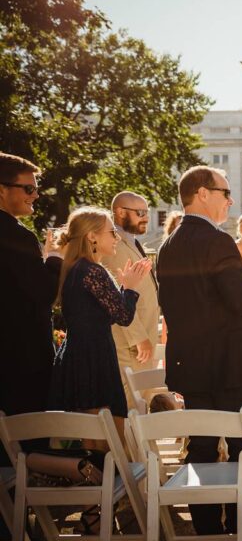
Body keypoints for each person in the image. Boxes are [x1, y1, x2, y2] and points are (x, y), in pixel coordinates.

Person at [156, 165, 242, 541]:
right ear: (202, 193)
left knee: (201, 448)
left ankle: (208, 535)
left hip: (193, 366)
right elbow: (239, 300)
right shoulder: (219, 242)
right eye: (224, 192)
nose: (230, 200)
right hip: (235, 366)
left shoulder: (167, 246)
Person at [50, 207, 152, 444]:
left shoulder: (76, 268)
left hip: (79, 356)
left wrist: (126, 286)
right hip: (94, 361)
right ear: (92, 236)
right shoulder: (92, 271)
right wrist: (130, 287)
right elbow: (123, 316)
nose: (116, 238)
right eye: (111, 233)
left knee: (90, 439)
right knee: (106, 443)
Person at [0, 154, 62, 430]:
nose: (35, 195)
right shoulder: (18, 237)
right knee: (27, 446)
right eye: (29, 188)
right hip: (22, 362)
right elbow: (44, 293)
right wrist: (55, 259)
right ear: (2, 190)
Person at [103, 191, 160, 374]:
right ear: (120, 212)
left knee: (145, 399)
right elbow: (117, 296)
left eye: (146, 212)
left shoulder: (131, 241)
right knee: (133, 400)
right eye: (140, 213)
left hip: (143, 340)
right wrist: (139, 338)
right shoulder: (116, 246)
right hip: (132, 346)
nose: (145, 218)